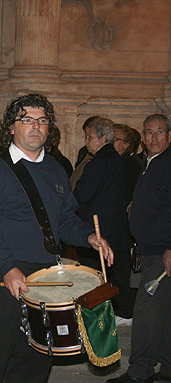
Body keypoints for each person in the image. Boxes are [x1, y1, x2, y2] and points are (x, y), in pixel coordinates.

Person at [0, 94, 113, 383]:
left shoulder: (55, 169)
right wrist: (8, 268)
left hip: (48, 275)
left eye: (41, 121)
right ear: (11, 127)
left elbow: (66, 220)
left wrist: (89, 237)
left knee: (37, 356)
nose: (35, 127)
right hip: (9, 271)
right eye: (27, 120)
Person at [107, 113, 171, 383]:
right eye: (148, 132)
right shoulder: (151, 163)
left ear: (169, 135)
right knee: (163, 310)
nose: (153, 137)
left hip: (161, 252)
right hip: (150, 249)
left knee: (145, 311)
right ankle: (168, 365)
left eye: (159, 132)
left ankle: (141, 370)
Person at [74, 117, 134, 323]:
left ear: (102, 138)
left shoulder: (98, 163)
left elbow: (82, 194)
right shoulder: (116, 159)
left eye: (89, 137)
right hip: (114, 227)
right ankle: (110, 310)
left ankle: (97, 314)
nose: (86, 141)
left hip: (98, 228)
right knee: (112, 273)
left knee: (95, 275)